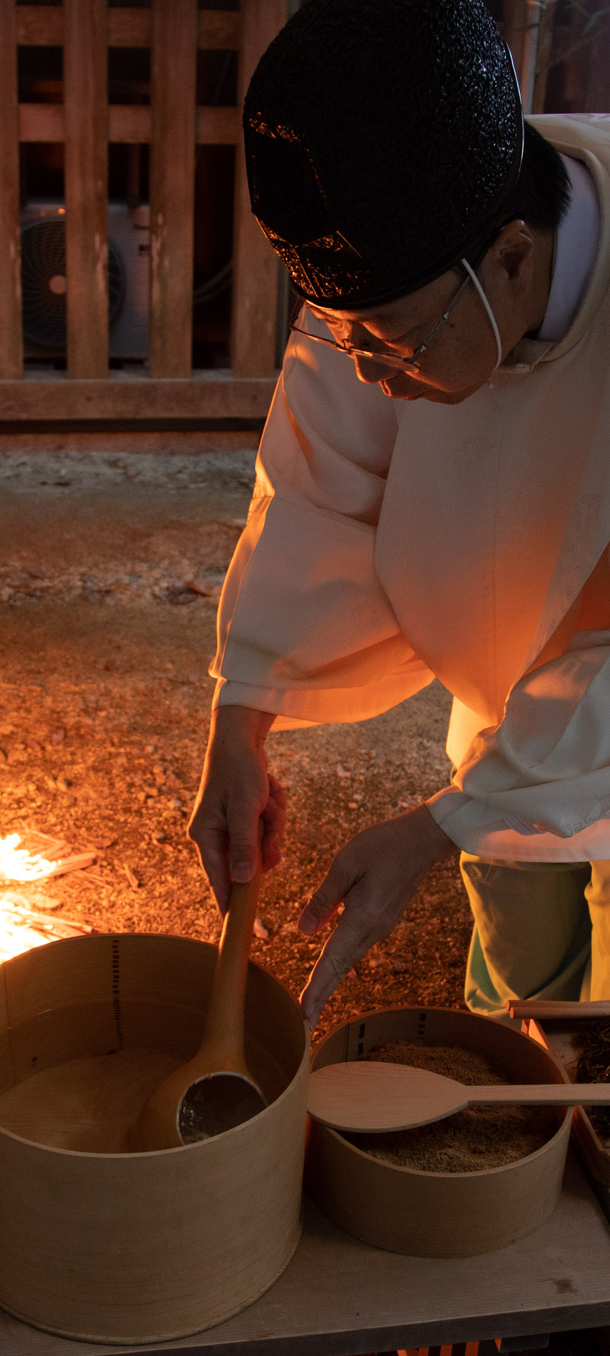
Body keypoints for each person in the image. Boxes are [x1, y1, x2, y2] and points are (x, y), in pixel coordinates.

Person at [188, 0, 610, 1028]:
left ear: (513, 255)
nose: (375, 376)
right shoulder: (398, 272)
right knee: (521, 945)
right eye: (351, 339)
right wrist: (240, 719)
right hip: (507, 688)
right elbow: (318, 485)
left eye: (401, 344)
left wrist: (434, 829)